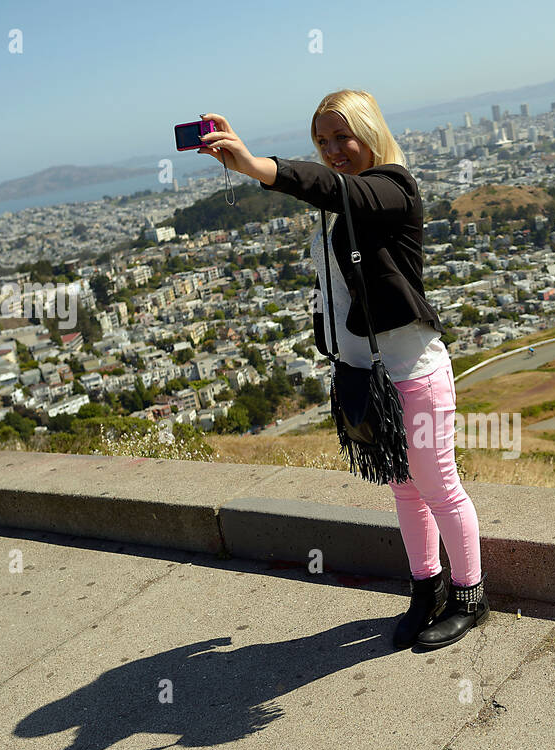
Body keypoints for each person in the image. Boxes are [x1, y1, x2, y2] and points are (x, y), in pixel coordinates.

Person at [196, 91, 487, 650]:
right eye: (322, 142)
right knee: (403, 488)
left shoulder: (393, 187)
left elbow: (333, 188)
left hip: (413, 371)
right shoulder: (348, 202)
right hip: (365, 375)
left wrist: (258, 166)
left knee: (439, 486)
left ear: (370, 132)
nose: (333, 151)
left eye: (342, 137)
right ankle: (425, 590)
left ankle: (471, 596)